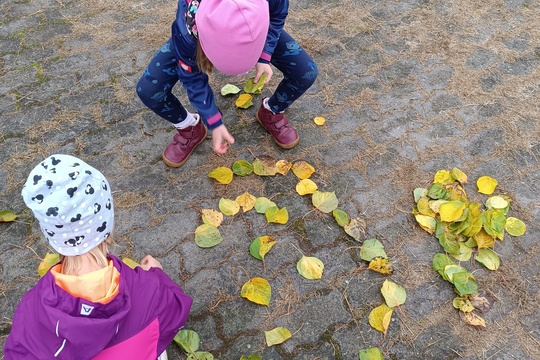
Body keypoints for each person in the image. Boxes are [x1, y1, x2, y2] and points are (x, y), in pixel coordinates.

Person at [4, 154, 192, 360]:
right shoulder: (150, 288)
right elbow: (176, 311)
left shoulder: (31, 311)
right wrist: (156, 274)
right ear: (108, 226)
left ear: (50, 235)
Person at [137, 0, 318, 167]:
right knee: (149, 90)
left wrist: (264, 55)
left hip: (255, 26)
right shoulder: (187, 31)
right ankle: (189, 127)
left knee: (305, 73)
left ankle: (271, 110)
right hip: (199, 34)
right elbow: (192, 78)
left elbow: (277, 15)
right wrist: (213, 120)